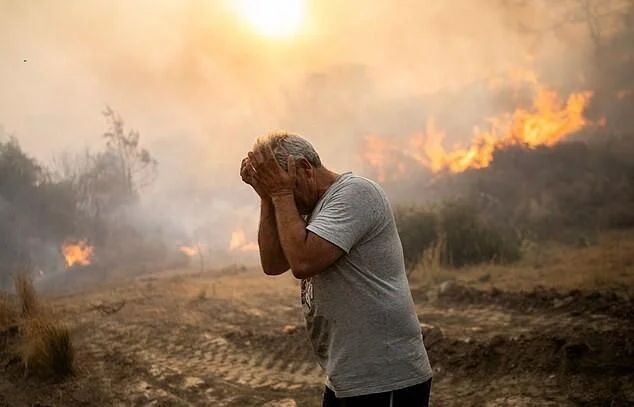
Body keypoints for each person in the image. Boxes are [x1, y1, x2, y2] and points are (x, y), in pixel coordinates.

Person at [240, 133, 433, 407]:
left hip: (385, 375)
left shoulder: (356, 193)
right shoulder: (315, 207)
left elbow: (303, 263)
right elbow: (273, 264)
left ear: (305, 169)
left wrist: (280, 194)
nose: (288, 202)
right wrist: (267, 197)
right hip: (348, 375)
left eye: (285, 187)